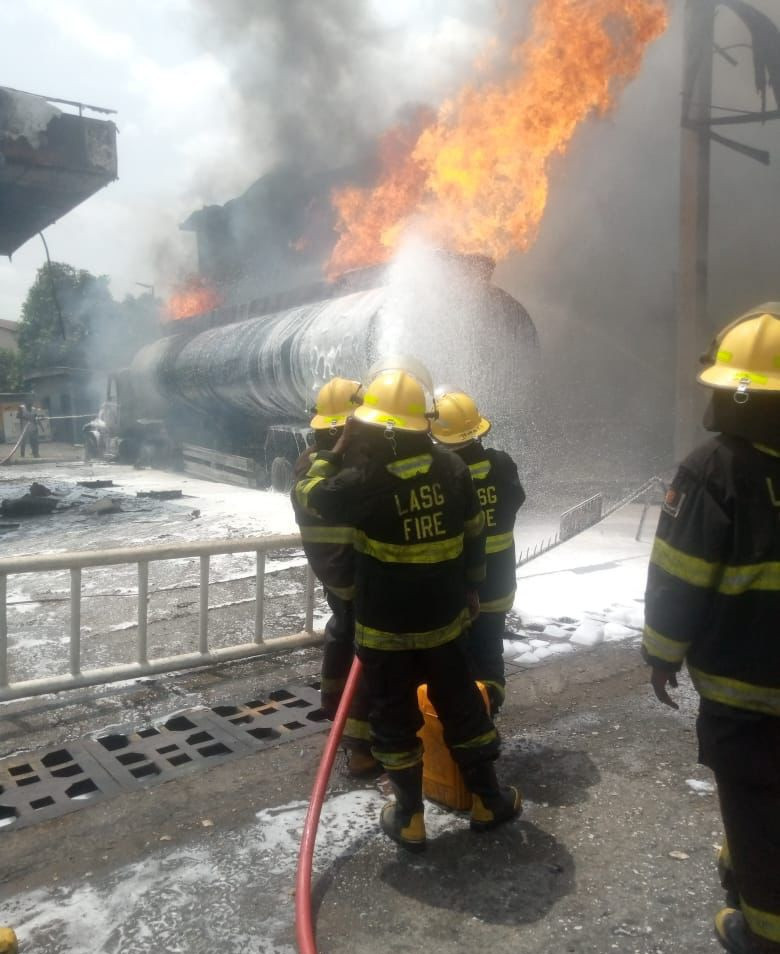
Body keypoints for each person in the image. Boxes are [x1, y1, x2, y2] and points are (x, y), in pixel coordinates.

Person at [295, 366, 520, 851]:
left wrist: (332, 454)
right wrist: (473, 585)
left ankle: (410, 817)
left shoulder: (363, 479)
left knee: (393, 722)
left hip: (385, 631)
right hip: (445, 624)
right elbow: (475, 535)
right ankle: (487, 799)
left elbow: (310, 497)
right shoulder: (451, 468)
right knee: (462, 709)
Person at [642, 303, 780, 954]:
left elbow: (680, 577)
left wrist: (661, 654)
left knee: (753, 801)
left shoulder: (714, 471)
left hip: (743, 684)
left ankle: (762, 928)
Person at [290, 377, 378, 777]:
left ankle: (335, 708)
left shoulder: (309, 462)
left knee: (341, 638)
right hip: (360, 580)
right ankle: (361, 747)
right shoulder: (347, 474)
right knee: (369, 658)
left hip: (334, 578)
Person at [432, 391, 526, 713]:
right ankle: (490, 709)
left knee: (461, 657)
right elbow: (515, 501)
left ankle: (466, 719)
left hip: (463, 588)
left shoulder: (445, 476)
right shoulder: (501, 464)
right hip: (500, 583)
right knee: (489, 651)